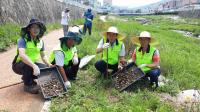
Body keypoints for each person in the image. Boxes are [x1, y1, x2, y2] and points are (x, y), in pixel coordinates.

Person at [12, 18, 54, 94]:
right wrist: (34, 66)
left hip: (32, 64)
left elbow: (43, 56)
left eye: (37, 27)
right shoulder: (22, 40)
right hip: (19, 65)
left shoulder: (41, 42)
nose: (36, 29)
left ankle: (26, 77)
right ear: (29, 29)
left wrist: (49, 64)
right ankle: (28, 85)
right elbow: (22, 55)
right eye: (33, 27)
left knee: (45, 70)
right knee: (27, 64)